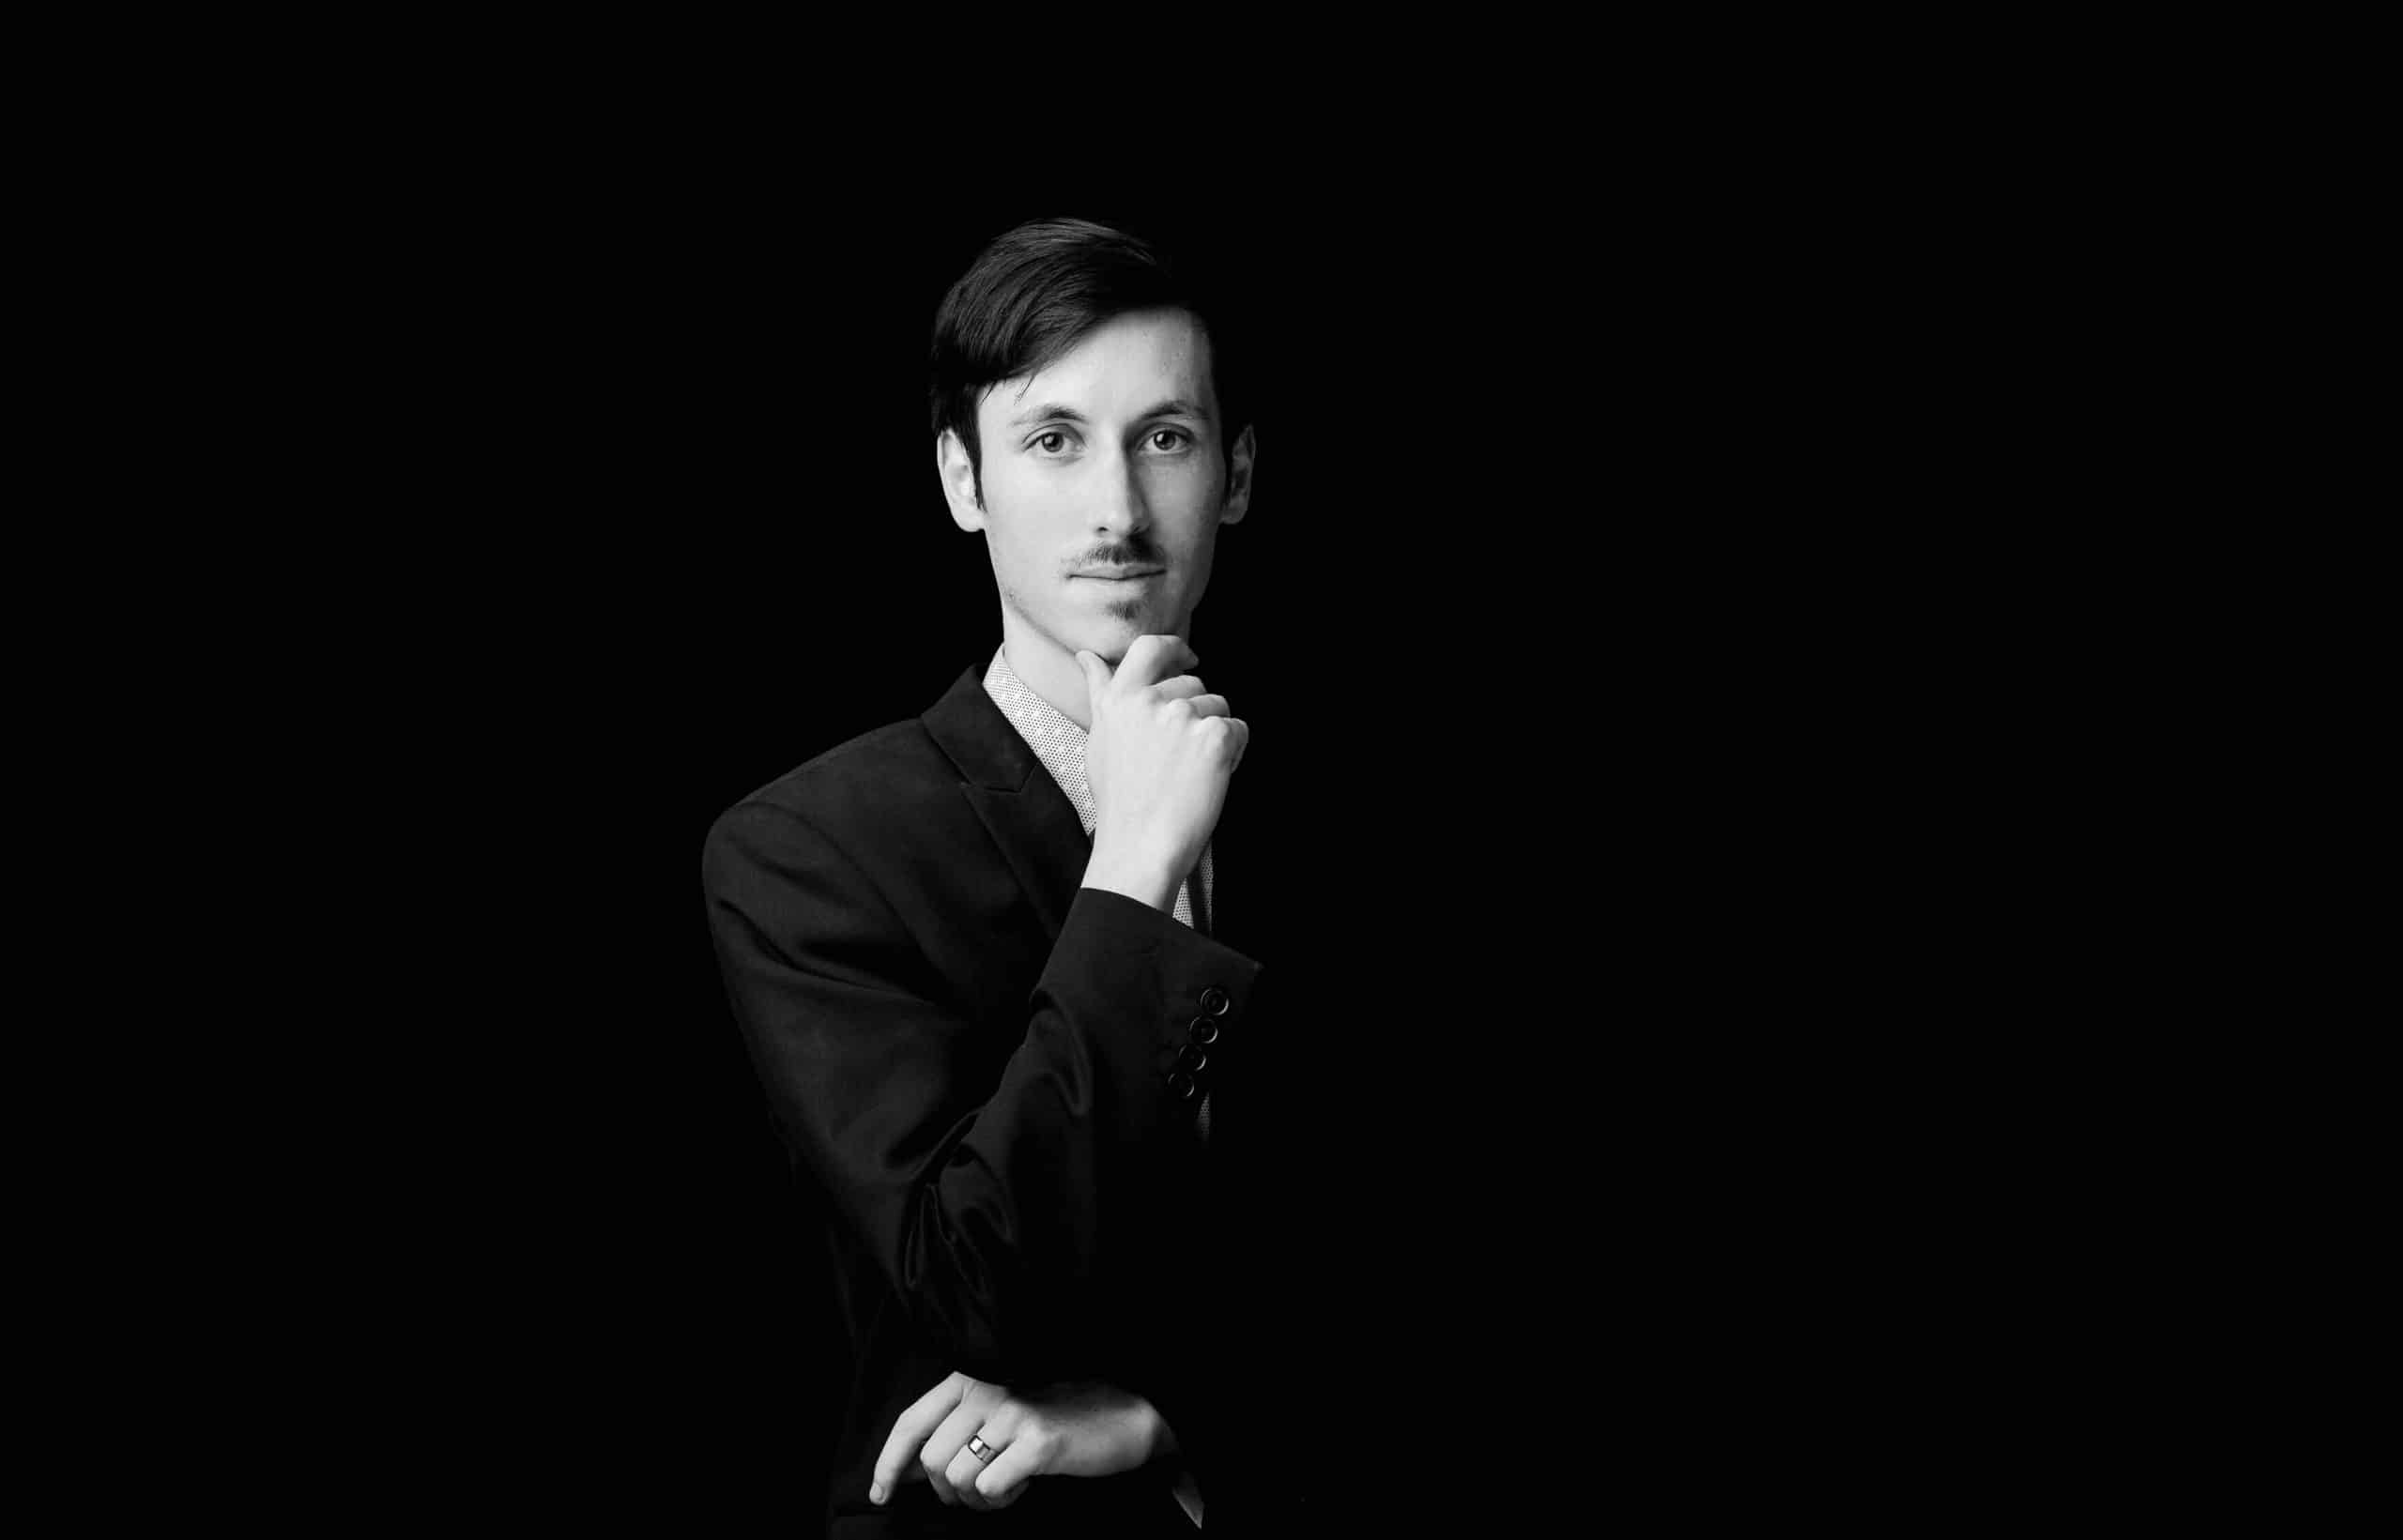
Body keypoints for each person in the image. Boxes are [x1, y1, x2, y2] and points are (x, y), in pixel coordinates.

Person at [702, 217, 1287, 1535]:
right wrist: (1134, 870)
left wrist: (1166, 1416)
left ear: (1237, 473)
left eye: (1166, 437)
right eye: (1054, 440)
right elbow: (977, 1288)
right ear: (962, 478)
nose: (1117, 512)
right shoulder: (806, 851)